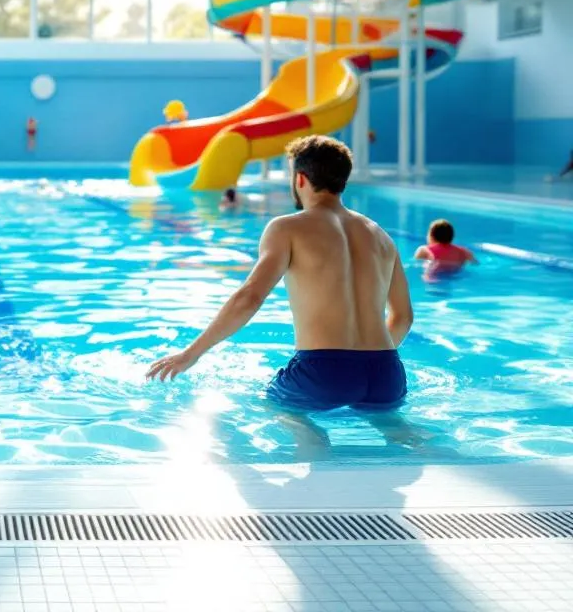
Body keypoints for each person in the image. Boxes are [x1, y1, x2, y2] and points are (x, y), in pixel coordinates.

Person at [147, 135, 414, 422]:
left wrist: (191, 353)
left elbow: (250, 297)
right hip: (387, 373)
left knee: (274, 409)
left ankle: (314, 448)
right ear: (343, 179)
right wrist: (366, 365)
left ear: (300, 178)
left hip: (322, 371)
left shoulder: (286, 228)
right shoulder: (380, 235)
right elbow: (403, 317)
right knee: (396, 431)